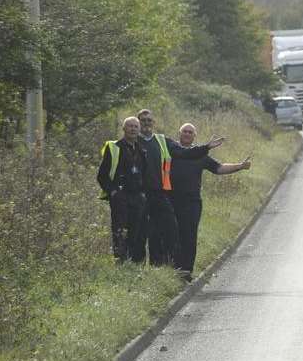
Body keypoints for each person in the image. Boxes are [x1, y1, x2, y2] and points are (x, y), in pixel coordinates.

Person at [134, 108, 224, 267]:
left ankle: (162, 268)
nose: (146, 123)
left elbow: (185, 153)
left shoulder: (162, 141)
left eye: (149, 120)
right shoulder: (131, 141)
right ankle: (137, 269)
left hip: (159, 195)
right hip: (137, 195)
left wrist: (206, 147)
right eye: (143, 120)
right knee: (140, 234)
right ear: (137, 122)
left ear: (154, 123)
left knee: (164, 232)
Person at [170, 122, 251, 280]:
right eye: (184, 131)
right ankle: (172, 267)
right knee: (172, 233)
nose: (187, 134)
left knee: (189, 234)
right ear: (179, 134)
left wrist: (240, 166)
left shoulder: (200, 154)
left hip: (192, 202)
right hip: (170, 199)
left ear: (195, 136)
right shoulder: (171, 150)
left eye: (190, 132)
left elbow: (219, 168)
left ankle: (186, 270)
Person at [95, 116, 151, 261]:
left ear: (139, 130)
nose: (133, 129)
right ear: (124, 129)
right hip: (121, 196)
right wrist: (113, 192)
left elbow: (145, 174)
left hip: (137, 197)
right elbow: (102, 175)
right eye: (130, 126)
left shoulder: (142, 149)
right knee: (120, 230)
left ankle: (132, 262)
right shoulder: (114, 148)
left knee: (135, 231)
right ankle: (120, 261)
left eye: (135, 126)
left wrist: (144, 194)